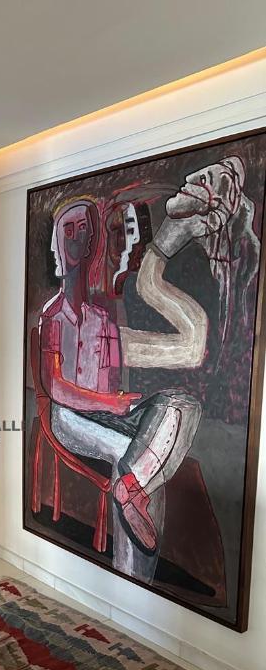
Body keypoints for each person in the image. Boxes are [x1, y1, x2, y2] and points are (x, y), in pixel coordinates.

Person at [39, 197, 202, 581]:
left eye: (83, 228)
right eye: (68, 230)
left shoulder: (103, 319)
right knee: (131, 451)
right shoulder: (52, 317)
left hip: (106, 410)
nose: (77, 236)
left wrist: (121, 405)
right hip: (68, 417)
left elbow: (113, 379)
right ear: (59, 244)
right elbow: (56, 388)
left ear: (91, 240)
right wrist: (110, 405)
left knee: (183, 406)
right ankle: (132, 576)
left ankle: (132, 488)